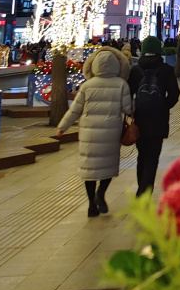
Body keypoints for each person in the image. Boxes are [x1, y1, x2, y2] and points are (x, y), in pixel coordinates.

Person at [57, 46, 132, 217]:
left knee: (89, 168)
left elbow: (75, 109)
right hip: (111, 131)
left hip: (88, 132)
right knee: (108, 165)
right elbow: (128, 109)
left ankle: (91, 203)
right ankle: (101, 193)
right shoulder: (121, 84)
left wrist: (62, 127)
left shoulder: (87, 85)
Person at [127, 36, 180, 197]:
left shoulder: (135, 70)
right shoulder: (166, 69)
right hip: (159, 120)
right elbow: (174, 94)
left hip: (140, 119)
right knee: (152, 158)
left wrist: (133, 110)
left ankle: (141, 188)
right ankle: (144, 191)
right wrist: (163, 106)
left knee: (141, 156)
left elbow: (128, 94)